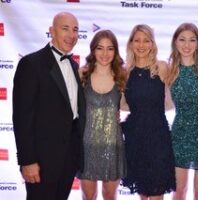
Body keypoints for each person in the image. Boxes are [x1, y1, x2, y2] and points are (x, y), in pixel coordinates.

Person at [12, 12, 86, 200]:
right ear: (52, 31)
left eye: (75, 30)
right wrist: (27, 161)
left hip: (68, 160)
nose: (71, 35)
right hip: (41, 162)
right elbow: (22, 118)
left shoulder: (75, 67)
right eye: (65, 28)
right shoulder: (31, 64)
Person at [120, 24, 176, 200]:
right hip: (135, 136)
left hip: (158, 135)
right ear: (130, 43)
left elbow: (171, 101)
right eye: (137, 40)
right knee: (143, 191)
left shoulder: (161, 68)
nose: (141, 45)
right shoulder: (125, 72)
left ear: (152, 44)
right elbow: (122, 104)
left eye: (146, 40)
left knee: (157, 191)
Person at [166, 23, 198, 200]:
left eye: (192, 40)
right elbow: (163, 103)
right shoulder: (169, 70)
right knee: (179, 191)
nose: (186, 45)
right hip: (180, 136)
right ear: (175, 42)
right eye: (182, 39)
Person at [76, 30, 127, 200]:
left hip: (112, 145)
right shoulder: (82, 74)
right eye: (100, 48)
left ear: (115, 51)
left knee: (109, 196)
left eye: (110, 48)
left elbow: (135, 104)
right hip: (86, 145)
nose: (105, 54)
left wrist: (126, 115)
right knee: (88, 196)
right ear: (93, 50)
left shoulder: (122, 75)